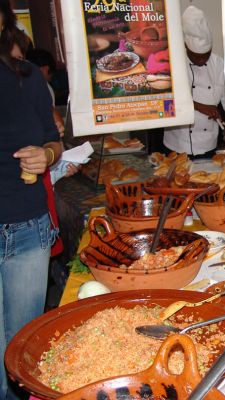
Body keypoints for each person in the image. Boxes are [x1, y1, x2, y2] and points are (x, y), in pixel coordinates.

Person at [0, 0, 62, 398]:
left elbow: (53, 140)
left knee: (20, 349)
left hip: (27, 229)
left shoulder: (27, 78)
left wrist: (48, 156)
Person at [163, 5, 225, 159]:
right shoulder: (172, 64)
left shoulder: (219, 64)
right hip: (176, 144)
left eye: (206, 55)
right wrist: (199, 106)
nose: (201, 60)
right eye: (196, 56)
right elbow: (164, 103)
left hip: (209, 143)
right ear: (186, 46)